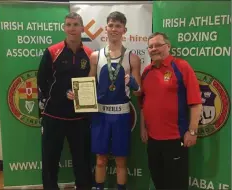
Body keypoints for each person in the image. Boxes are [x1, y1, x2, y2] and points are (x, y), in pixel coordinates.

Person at [67, 11, 141, 190]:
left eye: (118, 26)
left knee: (120, 161)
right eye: (111, 25)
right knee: (100, 160)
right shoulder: (95, 56)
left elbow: (140, 91)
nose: (114, 29)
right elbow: (90, 83)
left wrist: (132, 83)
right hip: (100, 115)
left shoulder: (132, 57)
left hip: (122, 115)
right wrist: (78, 94)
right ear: (105, 29)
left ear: (124, 30)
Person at [139, 32, 202, 190]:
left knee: (176, 184)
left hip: (175, 138)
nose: (154, 49)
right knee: (158, 181)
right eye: (150, 46)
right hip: (153, 140)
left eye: (158, 45)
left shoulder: (181, 67)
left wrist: (192, 131)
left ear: (168, 46)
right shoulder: (146, 71)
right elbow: (143, 104)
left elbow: (195, 103)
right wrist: (143, 128)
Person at [37, 12, 93, 190]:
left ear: (82, 28)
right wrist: (58, 98)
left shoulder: (90, 54)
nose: (72, 28)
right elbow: (41, 81)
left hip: (80, 118)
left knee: (83, 160)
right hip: (54, 116)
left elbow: (93, 83)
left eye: (75, 25)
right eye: (68, 25)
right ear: (64, 28)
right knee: (50, 159)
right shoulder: (53, 51)